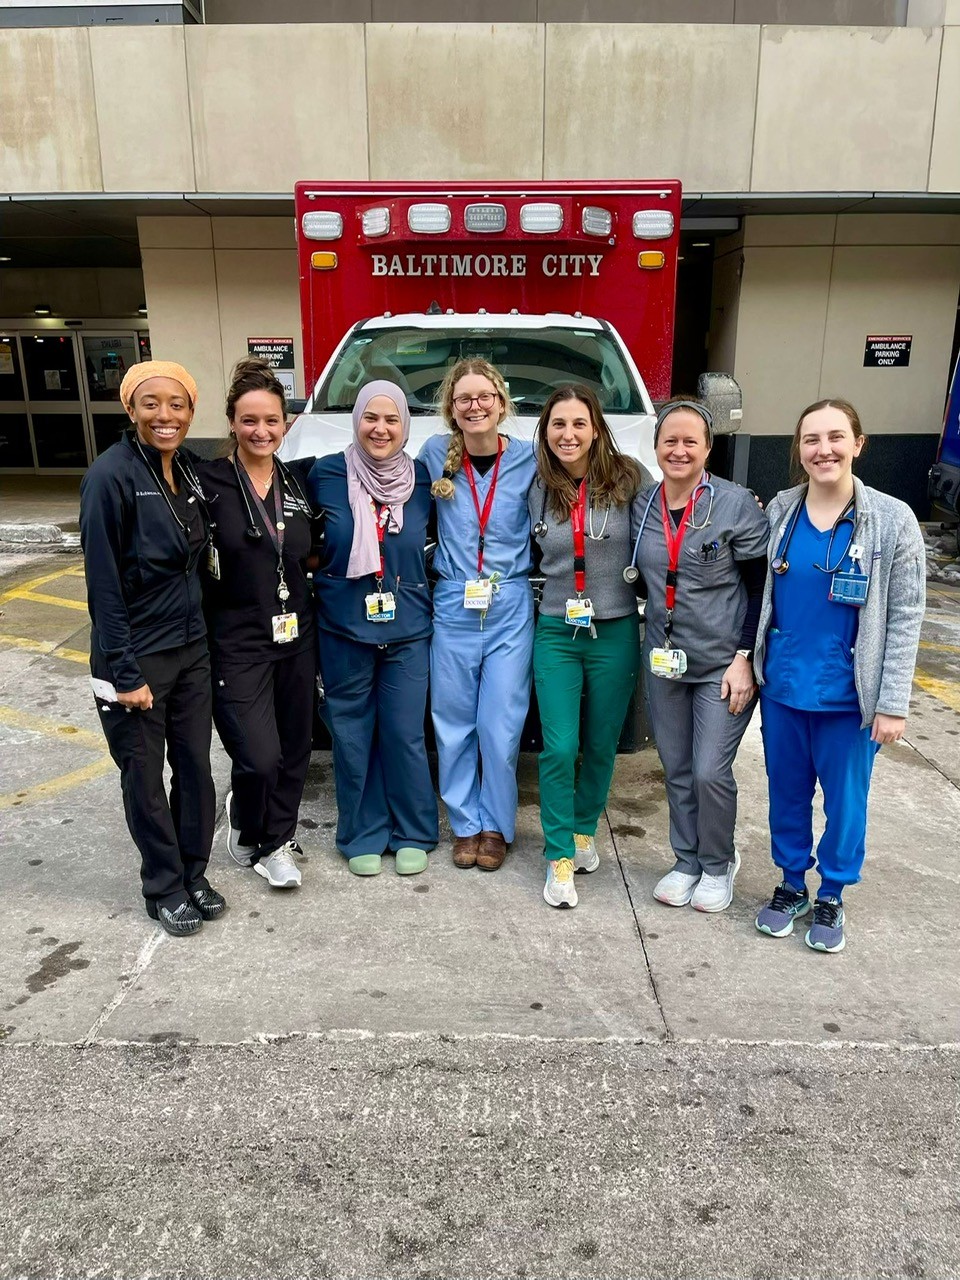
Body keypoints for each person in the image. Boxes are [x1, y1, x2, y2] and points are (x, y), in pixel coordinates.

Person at [753, 399, 925, 952]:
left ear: (859, 442)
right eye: (810, 440)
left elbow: (905, 616)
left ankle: (832, 892)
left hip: (850, 698)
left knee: (846, 801)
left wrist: (892, 701)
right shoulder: (781, 510)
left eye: (834, 437)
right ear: (798, 449)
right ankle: (790, 884)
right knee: (786, 793)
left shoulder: (893, 519)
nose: (822, 449)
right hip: (783, 686)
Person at [79, 361, 223, 937]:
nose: (166, 416)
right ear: (130, 409)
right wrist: (124, 672)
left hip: (191, 649)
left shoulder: (185, 469)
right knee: (142, 775)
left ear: (191, 412)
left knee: (194, 769)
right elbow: (103, 587)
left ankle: (193, 872)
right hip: (135, 656)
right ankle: (162, 885)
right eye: (152, 404)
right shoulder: (110, 476)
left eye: (178, 405)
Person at [627, 398, 769, 914]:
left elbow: (759, 588)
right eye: (670, 441)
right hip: (664, 658)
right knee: (677, 766)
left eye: (691, 441)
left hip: (720, 664)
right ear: (656, 446)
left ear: (709, 448)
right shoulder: (641, 506)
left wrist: (744, 657)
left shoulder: (735, 505)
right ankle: (686, 860)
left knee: (711, 769)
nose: (679, 450)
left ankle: (717, 862)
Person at [195, 358, 318, 891]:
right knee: (259, 754)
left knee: (295, 748)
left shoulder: (297, 481)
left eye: (271, 420)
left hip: (296, 633)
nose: (261, 430)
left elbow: (308, 552)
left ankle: (274, 836)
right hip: (236, 640)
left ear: (286, 422)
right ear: (231, 423)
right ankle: (257, 822)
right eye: (249, 420)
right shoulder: (208, 481)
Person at [307, 380, 438, 876]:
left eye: (392, 420)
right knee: (352, 734)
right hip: (343, 627)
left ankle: (413, 830)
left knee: (405, 733)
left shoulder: (422, 478)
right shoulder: (325, 473)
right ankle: (362, 831)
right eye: (371, 418)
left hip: (407, 628)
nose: (380, 429)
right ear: (356, 418)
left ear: (405, 425)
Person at [529, 384, 647, 909]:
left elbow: (671, 520)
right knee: (558, 747)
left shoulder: (629, 479)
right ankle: (558, 856)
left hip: (615, 631)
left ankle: (582, 830)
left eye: (579, 423)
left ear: (595, 427)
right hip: (556, 630)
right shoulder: (537, 485)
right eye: (558, 424)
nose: (568, 434)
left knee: (601, 745)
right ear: (545, 430)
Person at [418, 359, 537, 871]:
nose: (474, 406)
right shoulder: (431, 455)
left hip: (509, 603)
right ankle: (465, 824)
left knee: (499, 724)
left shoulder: (531, 459)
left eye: (484, 396)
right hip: (454, 602)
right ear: (450, 408)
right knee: (452, 722)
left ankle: (496, 824)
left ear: (501, 402)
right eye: (464, 398)